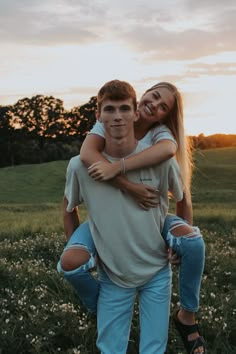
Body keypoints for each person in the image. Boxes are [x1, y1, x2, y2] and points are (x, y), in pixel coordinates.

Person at [58, 81, 206, 354]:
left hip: (156, 270)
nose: (117, 116)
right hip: (114, 275)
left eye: (124, 108)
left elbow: (183, 199)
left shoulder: (160, 156)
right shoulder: (81, 164)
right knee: (111, 350)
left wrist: (179, 246)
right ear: (98, 116)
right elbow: (69, 208)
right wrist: (86, 251)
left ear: (135, 112)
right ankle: (98, 304)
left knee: (154, 350)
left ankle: (187, 314)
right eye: (110, 110)